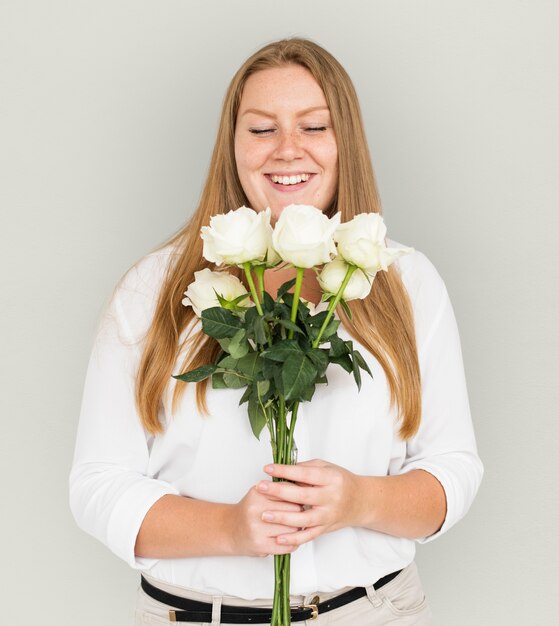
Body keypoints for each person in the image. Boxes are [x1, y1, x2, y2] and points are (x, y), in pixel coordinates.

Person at [70, 38, 483, 625]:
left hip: (372, 612)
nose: (288, 150)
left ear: (347, 144)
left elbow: (452, 469)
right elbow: (97, 484)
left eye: (314, 126)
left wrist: (361, 499)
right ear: (231, 147)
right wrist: (231, 529)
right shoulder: (152, 289)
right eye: (262, 130)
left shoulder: (406, 281)